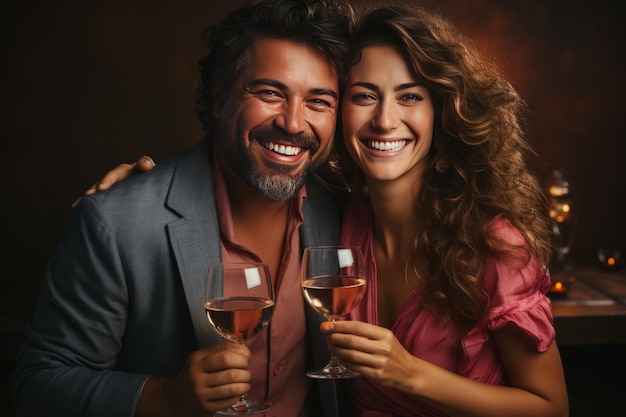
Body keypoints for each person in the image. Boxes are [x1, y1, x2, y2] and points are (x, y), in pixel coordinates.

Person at [70, 3, 570, 416]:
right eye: (364, 96)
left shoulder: (491, 244)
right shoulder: (343, 210)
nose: (385, 119)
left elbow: (552, 408)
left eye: (410, 97)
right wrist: (142, 189)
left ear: (443, 113)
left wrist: (409, 372)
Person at [12, 1, 356, 416]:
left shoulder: (346, 206)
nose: (294, 123)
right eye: (269, 92)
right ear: (218, 98)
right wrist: (165, 397)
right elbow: (37, 386)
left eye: (319, 101)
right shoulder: (116, 222)